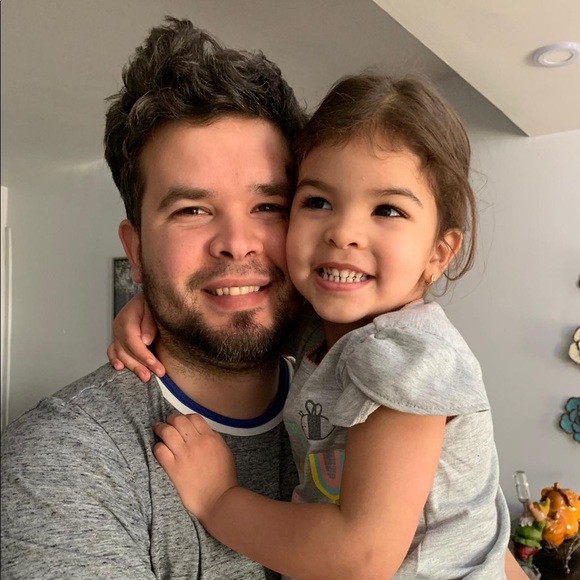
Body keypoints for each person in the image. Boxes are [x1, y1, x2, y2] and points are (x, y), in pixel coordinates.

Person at [115, 74, 513, 579]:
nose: (343, 233)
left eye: (387, 210)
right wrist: (152, 302)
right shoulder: (325, 331)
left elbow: (360, 556)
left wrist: (218, 499)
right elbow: (241, 311)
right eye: (318, 202)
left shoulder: (405, 358)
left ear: (438, 253)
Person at [0, 17, 309, 579]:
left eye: (269, 206)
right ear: (136, 250)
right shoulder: (64, 460)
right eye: (192, 210)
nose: (237, 242)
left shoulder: (364, 400)